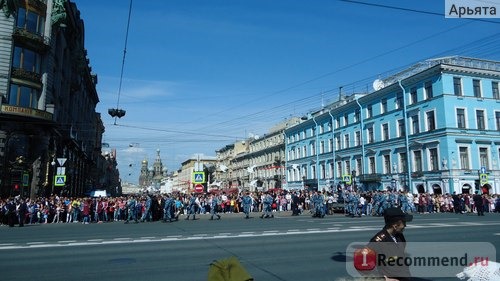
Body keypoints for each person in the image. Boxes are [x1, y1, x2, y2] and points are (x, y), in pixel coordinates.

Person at [368, 207, 413, 280]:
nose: (405, 225)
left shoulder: (399, 236)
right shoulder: (378, 241)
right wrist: (383, 279)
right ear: (395, 226)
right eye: (403, 223)